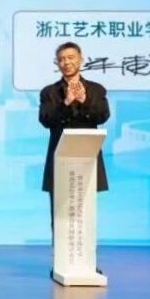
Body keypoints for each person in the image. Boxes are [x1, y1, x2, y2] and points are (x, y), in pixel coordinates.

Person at [39, 41, 110, 232]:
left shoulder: (96, 89)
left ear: (80, 60)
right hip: (59, 157)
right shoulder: (49, 92)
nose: (66, 62)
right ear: (57, 63)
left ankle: (85, 252)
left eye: (71, 58)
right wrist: (66, 102)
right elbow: (46, 120)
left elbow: (102, 116)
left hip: (88, 156)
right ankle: (60, 252)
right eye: (61, 59)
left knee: (85, 212)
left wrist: (84, 101)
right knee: (59, 214)